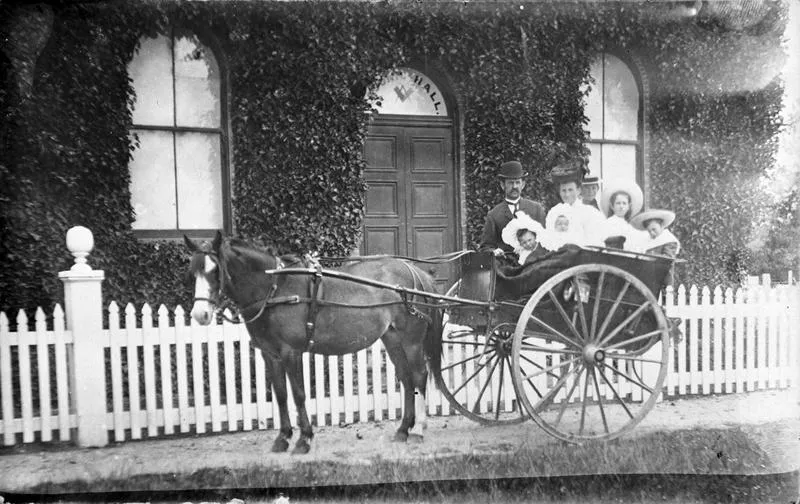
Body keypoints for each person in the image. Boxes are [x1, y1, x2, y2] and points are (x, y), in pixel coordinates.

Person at [479, 160, 546, 258]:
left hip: (533, 263)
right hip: (506, 265)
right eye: (510, 183)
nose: (514, 186)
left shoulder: (536, 209)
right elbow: (485, 247)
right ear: (503, 185)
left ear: (523, 185)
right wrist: (494, 252)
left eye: (517, 182)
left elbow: (546, 238)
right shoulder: (494, 215)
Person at [544, 160, 605, 246]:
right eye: (563, 190)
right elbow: (549, 239)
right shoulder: (554, 212)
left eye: (570, 190)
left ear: (578, 190)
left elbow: (594, 242)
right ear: (559, 192)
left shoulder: (590, 213)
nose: (567, 194)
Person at [630, 209, 680, 286]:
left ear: (662, 226)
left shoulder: (669, 240)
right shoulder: (649, 241)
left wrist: (649, 257)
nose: (652, 233)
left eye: (654, 229)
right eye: (649, 231)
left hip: (662, 278)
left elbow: (667, 259)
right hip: (648, 276)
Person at [599, 178, 647, 251]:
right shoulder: (608, 224)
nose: (621, 206)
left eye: (624, 203)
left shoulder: (631, 226)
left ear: (629, 206)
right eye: (618, 203)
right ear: (612, 206)